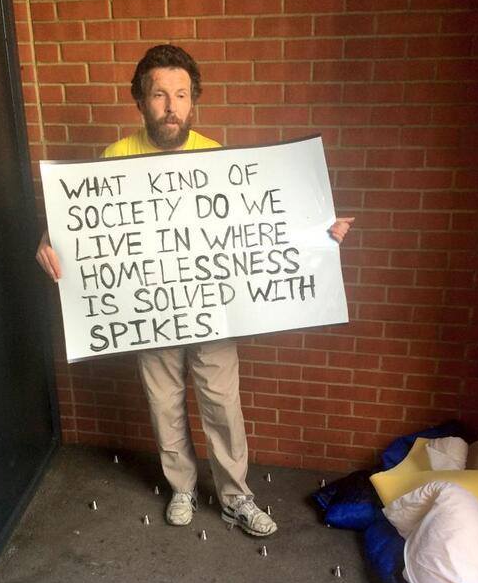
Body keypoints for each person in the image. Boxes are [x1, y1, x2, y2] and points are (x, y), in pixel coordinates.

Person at [36, 44, 352, 538]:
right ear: (140, 101)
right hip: (148, 309)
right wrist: (48, 241)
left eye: (181, 95)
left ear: (193, 101)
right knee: (163, 402)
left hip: (212, 307)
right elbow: (82, 224)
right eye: (159, 94)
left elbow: (258, 225)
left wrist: (319, 234)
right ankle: (181, 487)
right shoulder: (115, 158)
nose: (171, 106)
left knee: (222, 403)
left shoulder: (215, 155)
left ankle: (235, 496)